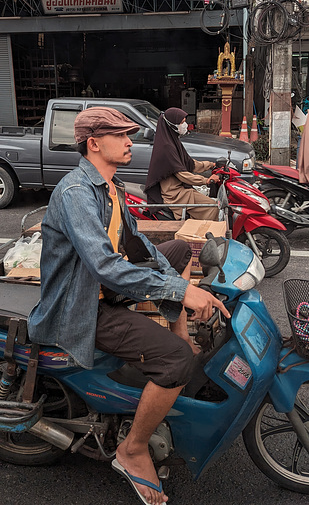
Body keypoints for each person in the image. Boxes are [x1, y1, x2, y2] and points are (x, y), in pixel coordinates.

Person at [27, 106, 230, 505]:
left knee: (175, 250)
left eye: (129, 134)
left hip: (104, 287)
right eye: (120, 136)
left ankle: (179, 333)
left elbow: (139, 245)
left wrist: (173, 281)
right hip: (83, 305)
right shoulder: (76, 193)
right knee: (175, 363)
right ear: (94, 143)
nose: (129, 142)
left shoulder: (111, 187)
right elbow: (105, 266)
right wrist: (181, 293)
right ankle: (133, 450)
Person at [145, 107, 220, 221]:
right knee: (212, 207)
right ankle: (206, 236)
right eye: (181, 122)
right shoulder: (167, 148)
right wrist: (206, 180)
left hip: (182, 190)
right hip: (175, 195)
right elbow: (182, 174)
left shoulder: (173, 142)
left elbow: (190, 164)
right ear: (172, 125)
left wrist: (211, 165)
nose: (185, 125)